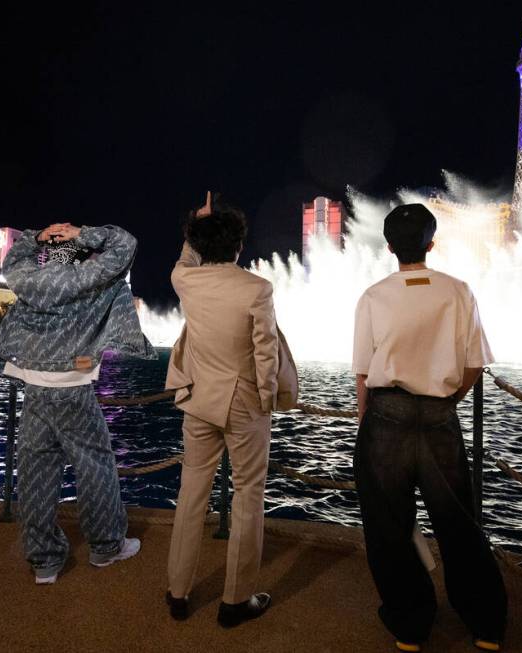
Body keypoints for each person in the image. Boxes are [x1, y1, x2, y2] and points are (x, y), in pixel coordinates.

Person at [352, 204, 507, 652]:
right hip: (440, 419)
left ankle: (410, 626)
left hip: (386, 421)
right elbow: (474, 364)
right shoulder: (458, 292)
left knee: (388, 528)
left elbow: (363, 373)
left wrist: (368, 424)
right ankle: (485, 627)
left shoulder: (373, 296)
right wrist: (446, 401)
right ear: (431, 243)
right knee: (459, 525)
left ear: (388, 247)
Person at [0, 221, 155, 585]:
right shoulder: (90, 277)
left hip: (34, 383)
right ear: (83, 256)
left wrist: (39, 237)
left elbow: (12, 261)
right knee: (95, 466)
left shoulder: (30, 278)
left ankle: (44, 560)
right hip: (74, 384)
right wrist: (82, 232)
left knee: (34, 472)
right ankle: (106, 546)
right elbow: (126, 242)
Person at [164, 192, 297, 627]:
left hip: (197, 400)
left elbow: (187, 260)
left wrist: (196, 224)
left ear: (200, 246)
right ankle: (235, 601)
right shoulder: (257, 288)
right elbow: (266, 356)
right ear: (239, 246)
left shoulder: (186, 280)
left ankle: (178, 593)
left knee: (190, 496)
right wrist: (266, 403)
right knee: (247, 498)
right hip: (244, 406)